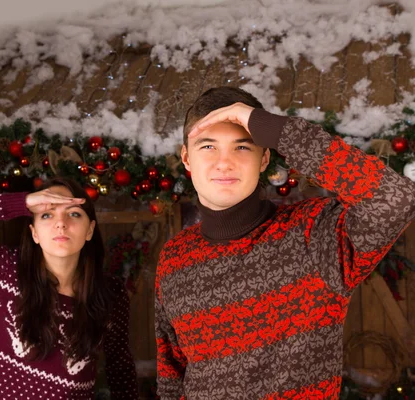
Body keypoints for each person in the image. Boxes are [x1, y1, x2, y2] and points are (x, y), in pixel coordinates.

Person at [154, 87, 415, 399]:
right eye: (208, 146)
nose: (224, 163)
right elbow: (171, 376)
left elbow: (396, 199)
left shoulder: (316, 234)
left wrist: (269, 127)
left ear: (265, 157)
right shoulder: (175, 256)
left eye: (242, 147)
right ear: (186, 157)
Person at [0, 177, 139, 400]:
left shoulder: (111, 294)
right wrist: (21, 203)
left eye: (73, 213)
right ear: (34, 232)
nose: (60, 223)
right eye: (46, 214)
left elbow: (120, 369)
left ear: (89, 230)